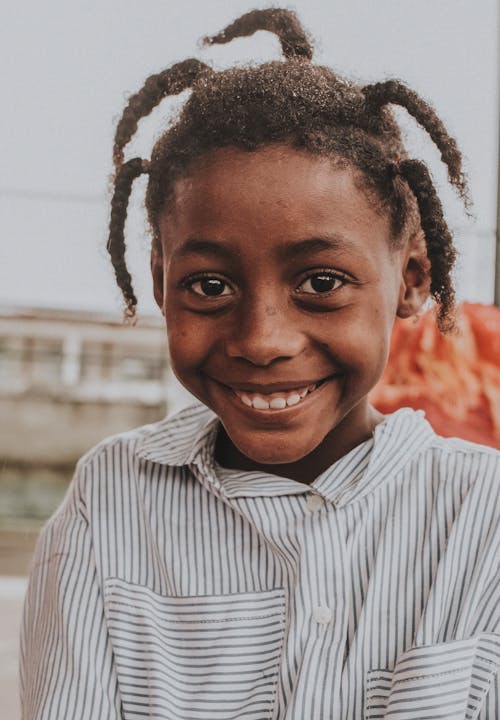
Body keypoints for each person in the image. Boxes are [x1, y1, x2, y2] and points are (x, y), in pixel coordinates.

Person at [20, 8, 499, 719]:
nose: (261, 339)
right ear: (160, 280)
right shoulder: (111, 505)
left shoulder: (481, 518)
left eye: (322, 282)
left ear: (414, 277)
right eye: (210, 287)